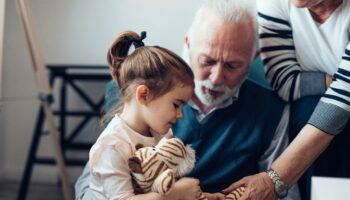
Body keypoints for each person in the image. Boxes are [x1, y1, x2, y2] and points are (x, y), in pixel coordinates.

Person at [75, 0, 301, 199]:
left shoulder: (272, 110)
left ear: (253, 58)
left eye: (232, 65)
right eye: (207, 61)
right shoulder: (144, 94)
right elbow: (92, 184)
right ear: (188, 45)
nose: (217, 77)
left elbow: (282, 190)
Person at [222, 0, 350, 199]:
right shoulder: (274, 3)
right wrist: (334, 81)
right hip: (317, 113)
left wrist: (274, 180)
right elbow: (285, 82)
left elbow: (341, 101)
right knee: (309, 108)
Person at [87, 30, 202, 200]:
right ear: (143, 95)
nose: (180, 116)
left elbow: (163, 185)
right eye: (176, 105)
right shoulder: (112, 146)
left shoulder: (160, 134)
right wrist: (177, 194)